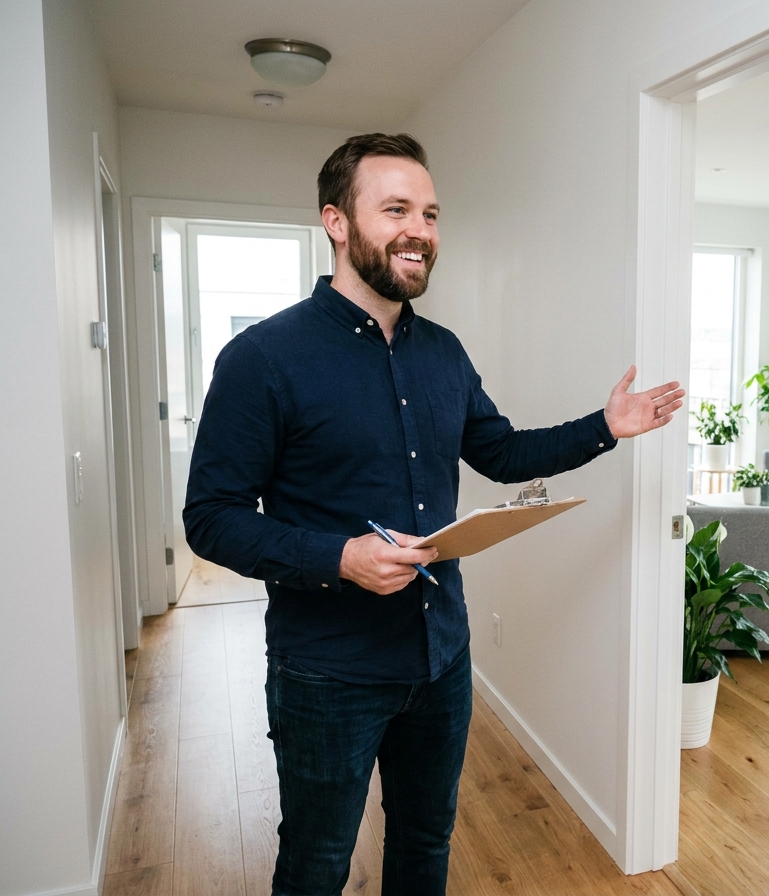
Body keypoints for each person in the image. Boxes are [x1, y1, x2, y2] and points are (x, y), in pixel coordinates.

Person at [183, 132, 684, 896]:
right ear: (337, 222)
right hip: (327, 671)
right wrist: (339, 558)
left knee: (426, 844)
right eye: (395, 209)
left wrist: (605, 426)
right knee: (316, 864)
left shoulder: (443, 352)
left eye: (430, 212)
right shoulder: (262, 359)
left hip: (440, 658)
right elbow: (212, 517)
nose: (420, 230)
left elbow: (501, 452)